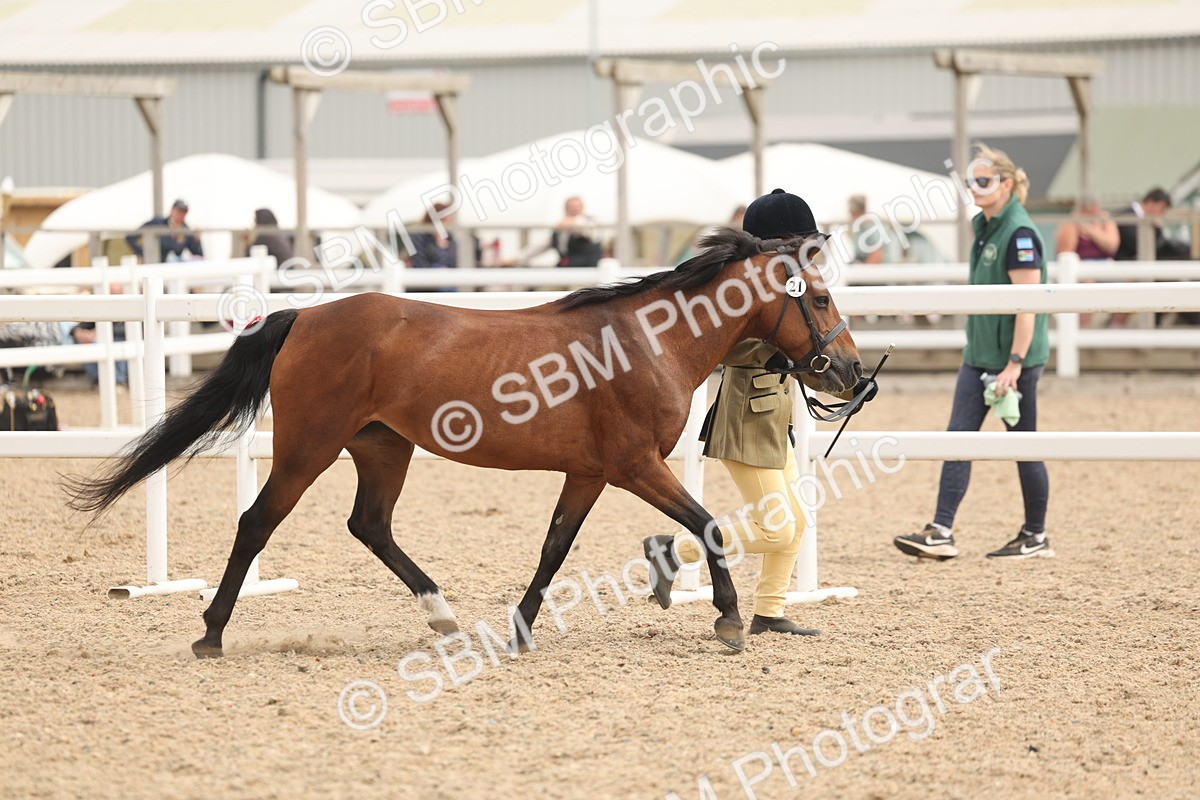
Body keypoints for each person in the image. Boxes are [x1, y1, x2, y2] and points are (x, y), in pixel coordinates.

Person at [642, 188, 877, 637]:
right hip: (746, 419)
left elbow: (805, 352)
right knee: (777, 528)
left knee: (798, 520)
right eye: (805, 245)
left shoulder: (784, 285)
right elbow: (728, 347)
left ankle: (769, 611)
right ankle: (673, 551)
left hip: (774, 418)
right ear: (782, 244)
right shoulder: (740, 290)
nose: (814, 255)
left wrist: (848, 381)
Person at [894, 145, 1051, 561]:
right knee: (958, 438)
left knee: (1023, 445)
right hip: (979, 354)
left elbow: (1027, 303)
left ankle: (1035, 534)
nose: (974, 189)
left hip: (1013, 362)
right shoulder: (986, 225)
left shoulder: (1018, 233)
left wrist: (1015, 363)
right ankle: (941, 529)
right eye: (970, 182)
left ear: (1007, 184)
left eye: (983, 181)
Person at [1113, 188, 1194, 326]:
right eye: (1161, 209)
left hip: (1140, 267)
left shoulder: (1145, 220)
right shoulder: (1127, 216)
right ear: (1151, 203)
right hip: (1126, 267)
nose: (1161, 214)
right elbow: (1138, 246)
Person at [1054, 194, 1119, 328]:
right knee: (1086, 282)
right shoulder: (1070, 224)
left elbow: (1111, 245)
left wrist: (1090, 229)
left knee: (1130, 279)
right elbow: (1065, 252)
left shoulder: (1105, 221)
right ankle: (1085, 327)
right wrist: (1078, 225)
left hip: (1105, 266)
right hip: (1080, 268)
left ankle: (1116, 325)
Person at [511, 196, 603, 267]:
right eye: (571, 207)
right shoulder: (559, 231)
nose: (574, 209)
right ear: (566, 209)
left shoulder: (590, 223)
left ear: (582, 209)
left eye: (577, 207)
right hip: (564, 270)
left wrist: (573, 222)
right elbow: (538, 247)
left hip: (585, 272)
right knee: (544, 290)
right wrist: (515, 259)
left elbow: (589, 232)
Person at [127, 198, 203, 261]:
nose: (181, 215)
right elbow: (130, 237)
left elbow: (198, 255)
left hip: (173, 272)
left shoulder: (186, 230)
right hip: (154, 268)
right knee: (149, 278)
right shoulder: (157, 223)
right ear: (172, 210)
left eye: (184, 212)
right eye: (179, 211)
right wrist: (143, 253)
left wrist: (197, 240)